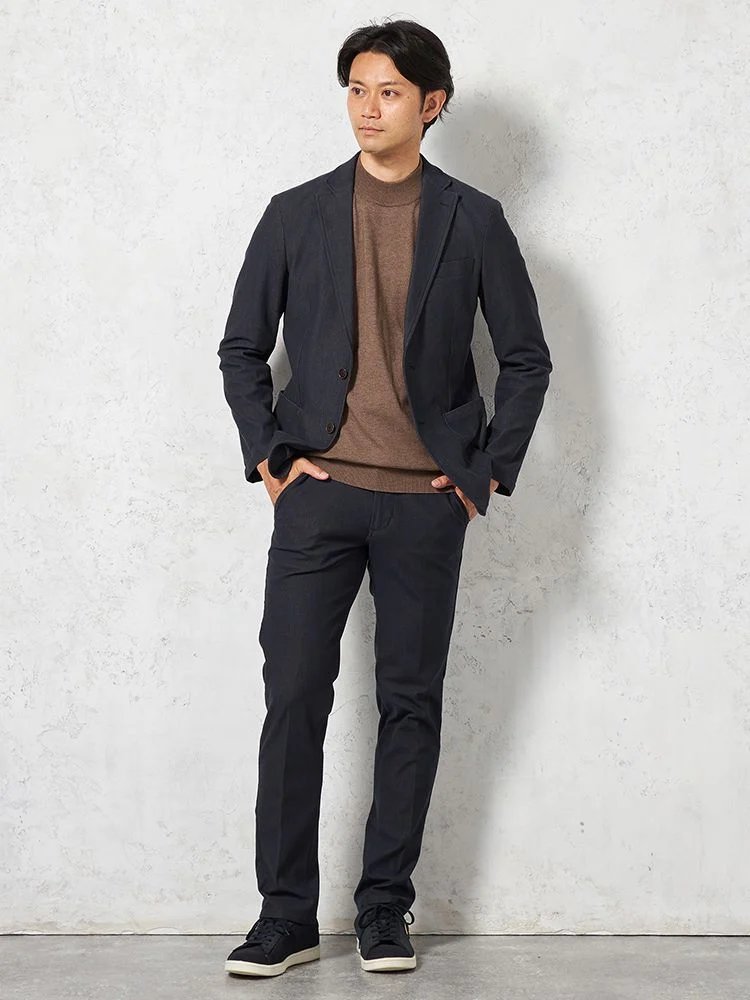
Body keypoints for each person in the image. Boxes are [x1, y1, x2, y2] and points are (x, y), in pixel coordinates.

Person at [218, 17, 552, 978]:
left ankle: (383, 910)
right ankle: (285, 917)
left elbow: (526, 359)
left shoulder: (474, 220)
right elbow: (242, 348)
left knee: (410, 704)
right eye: (357, 90)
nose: (369, 109)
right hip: (317, 496)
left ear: (431, 103)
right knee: (294, 698)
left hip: (424, 506)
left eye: (390, 92)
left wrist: (485, 474)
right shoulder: (295, 213)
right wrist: (269, 458)